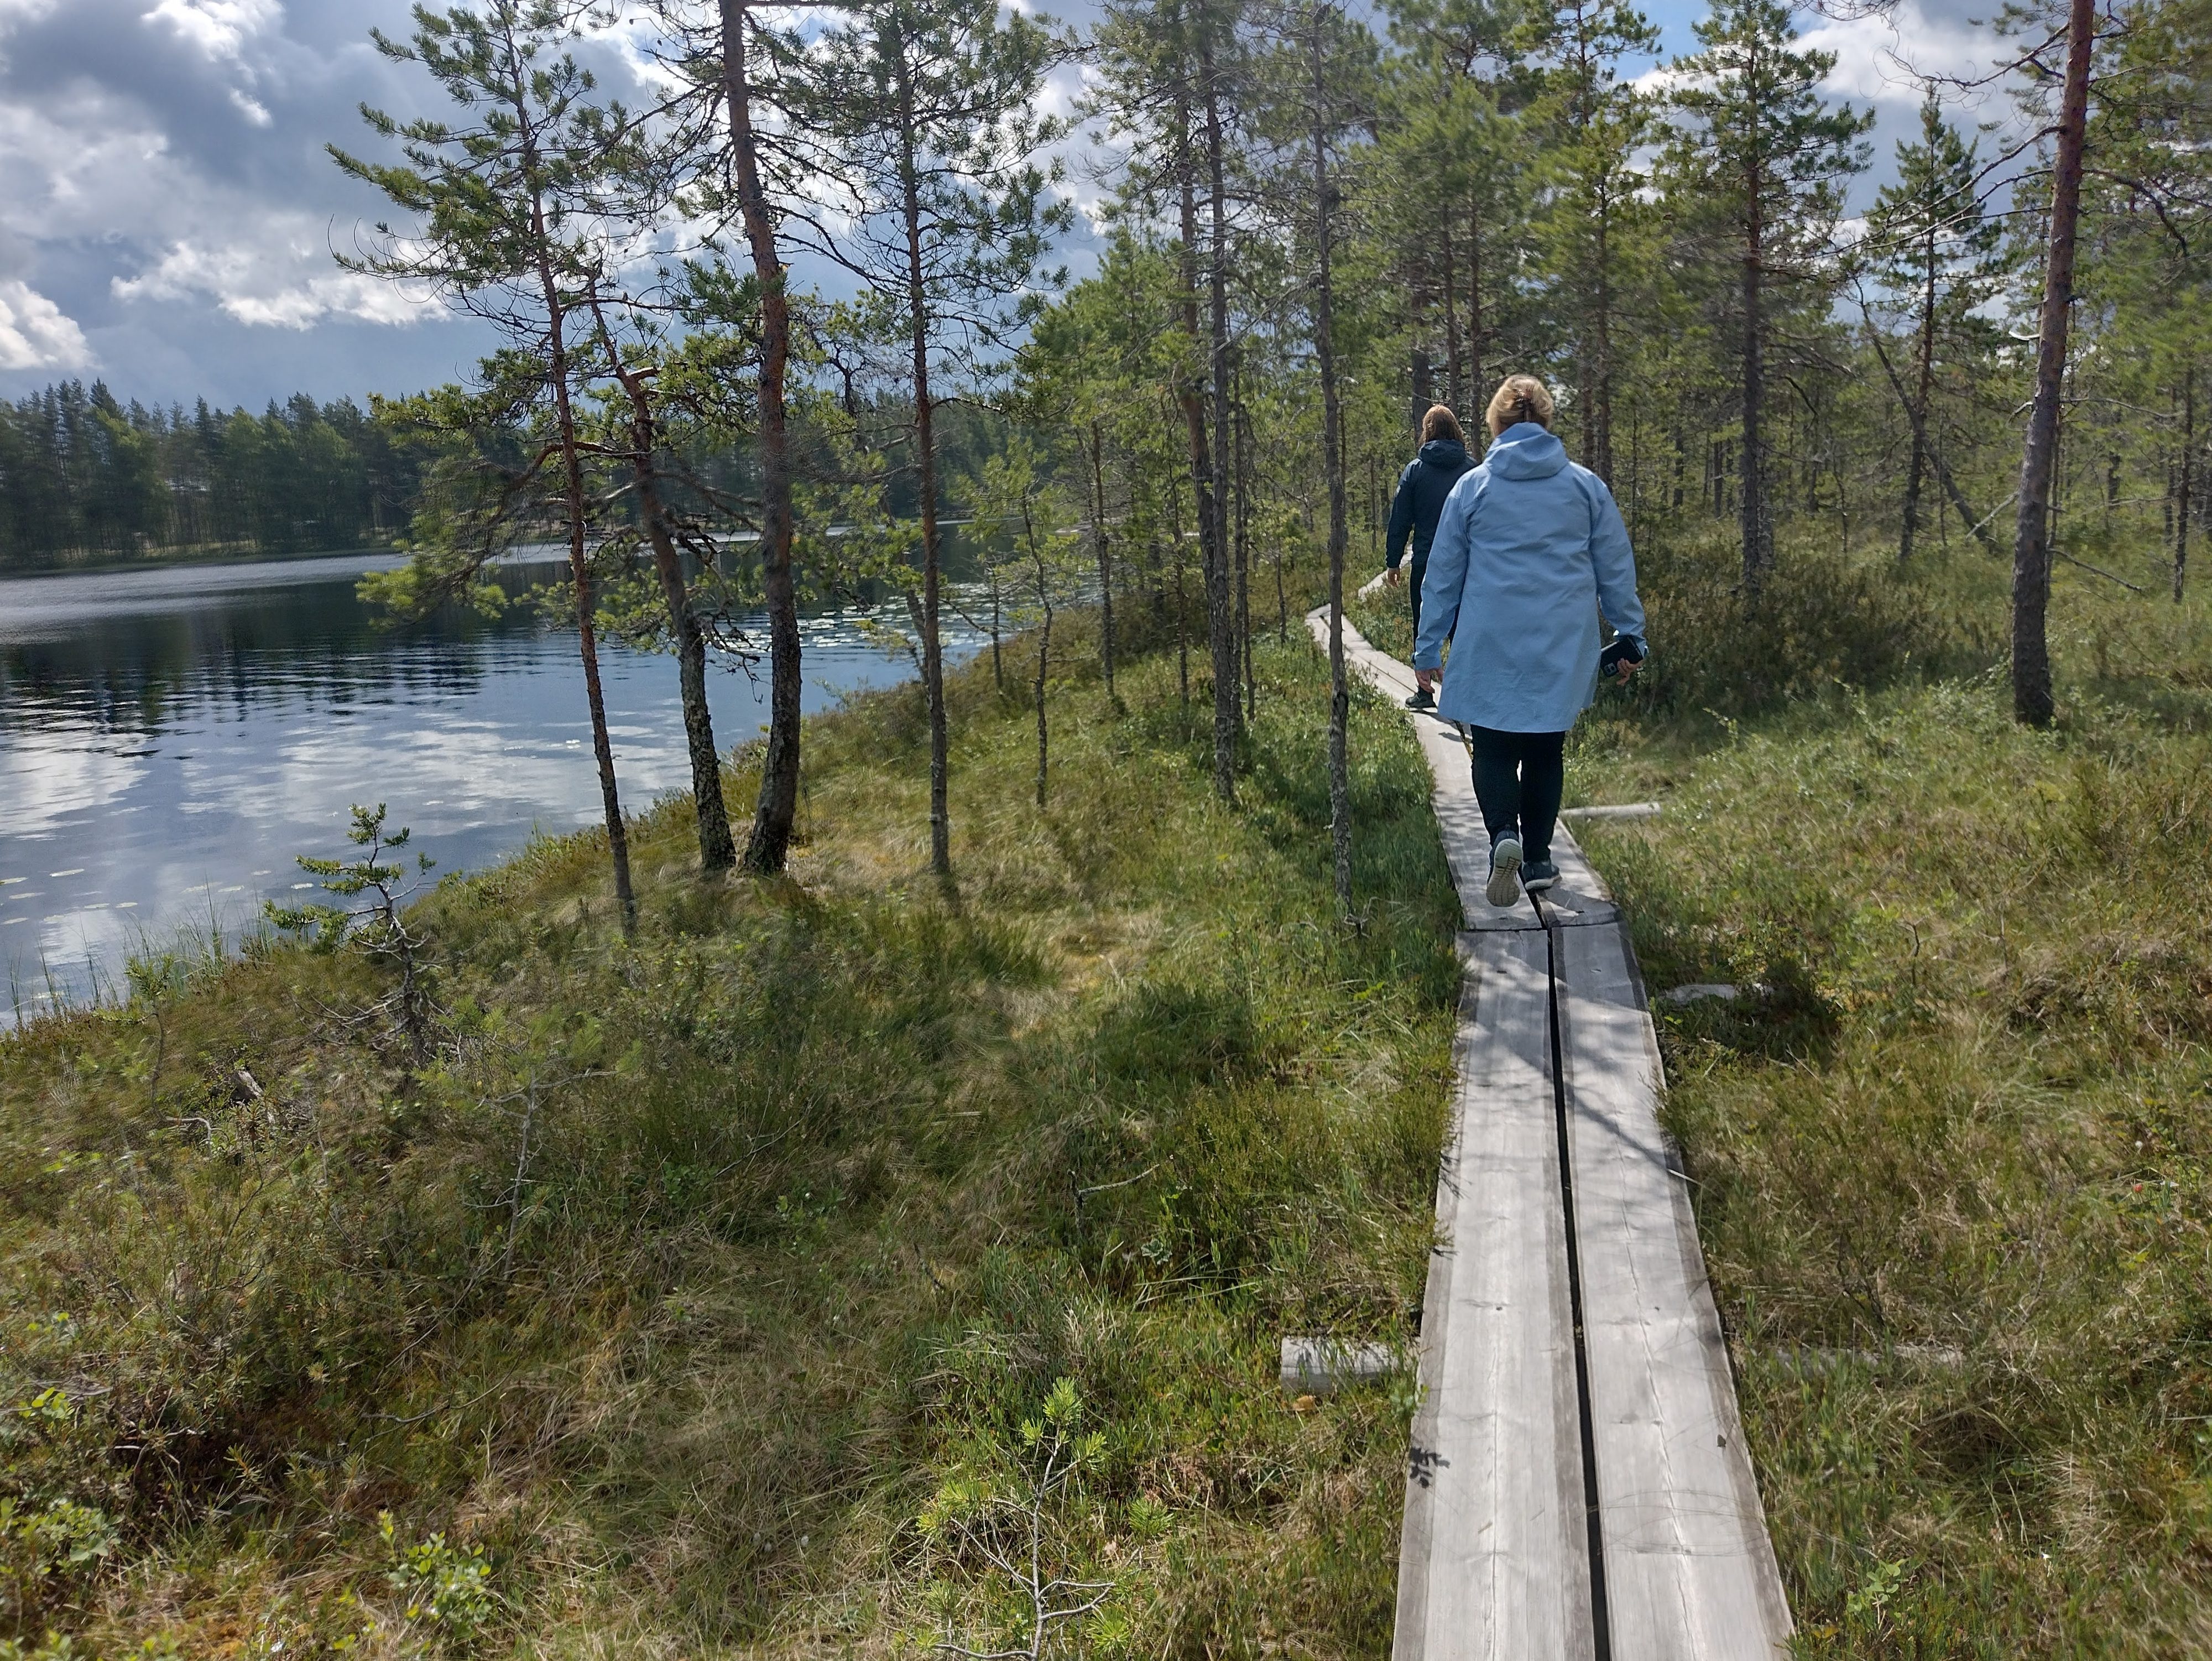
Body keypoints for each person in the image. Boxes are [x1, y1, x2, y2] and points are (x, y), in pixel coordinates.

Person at [1413, 374, 1647, 905]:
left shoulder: (1472, 488)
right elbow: (1615, 568)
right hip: (1562, 643)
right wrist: (1630, 633)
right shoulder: (1585, 487)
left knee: (1493, 746)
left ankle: (1504, 837)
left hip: (1490, 638)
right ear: (1546, 423)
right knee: (1546, 748)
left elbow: (1442, 573)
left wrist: (1427, 650)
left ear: (1495, 424)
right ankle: (1539, 860)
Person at [1383, 404, 1477, 711]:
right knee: (1463, 629)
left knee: (1424, 624)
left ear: (1428, 431)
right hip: (1467, 566)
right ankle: (1465, 693)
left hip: (1425, 562)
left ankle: (1424, 693)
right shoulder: (1473, 470)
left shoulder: (1416, 470)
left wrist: (1393, 561)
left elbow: (1400, 519)